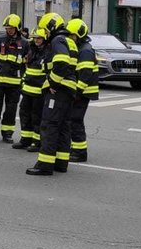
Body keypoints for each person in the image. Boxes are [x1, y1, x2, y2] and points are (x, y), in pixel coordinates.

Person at [26, 11, 78, 176]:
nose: (45, 34)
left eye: (46, 31)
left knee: (49, 125)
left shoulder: (57, 40)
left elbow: (62, 64)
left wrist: (53, 83)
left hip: (59, 90)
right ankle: (61, 163)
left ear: (51, 28)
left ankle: (45, 165)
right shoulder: (69, 41)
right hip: (68, 90)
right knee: (63, 126)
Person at [0, 14, 29, 143]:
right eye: (7, 28)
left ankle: (7, 133)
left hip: (15, 84)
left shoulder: (25, 44)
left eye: (11, 28)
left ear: (17, 28)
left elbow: (27, 65)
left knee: (11, 109)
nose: (8, 30)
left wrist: (23, 81)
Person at [64, 18, 98, 162]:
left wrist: (77, 92)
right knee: (73, 119)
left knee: (75, 119)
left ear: (79, 34)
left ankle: (80, 152)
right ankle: (76, 148)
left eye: (72, 35)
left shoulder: (85, 51)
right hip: (82, 91)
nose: (70, 38)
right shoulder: (81, 48)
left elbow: (85, 74)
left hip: (83, 91)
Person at [13, 27, 48, 150]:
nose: (37, 40)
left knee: (37, 116)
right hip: (28, 88)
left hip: (40, 90)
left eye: (39, 38)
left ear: (45, 38)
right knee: (24, 114)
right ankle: (25, 139)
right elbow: (25, 67)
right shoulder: (31, 50)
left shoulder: (48, 51)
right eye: (35, 38)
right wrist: (23, 82)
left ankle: (37, 142)